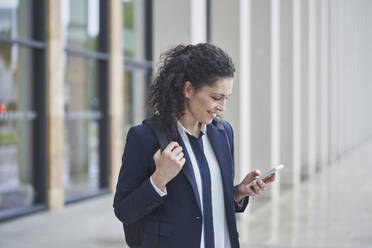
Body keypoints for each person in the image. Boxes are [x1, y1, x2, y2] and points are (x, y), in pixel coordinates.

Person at [113, 43, 276, 248]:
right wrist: (159, 179)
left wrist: (238, 193)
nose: (222, 107)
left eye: (226, 98)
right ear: (188, 89)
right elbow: (124, 211)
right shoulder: (145, 138)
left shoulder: (223, 133)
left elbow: (204, 203)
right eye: (216, 97)